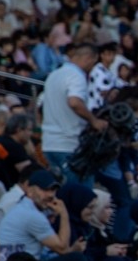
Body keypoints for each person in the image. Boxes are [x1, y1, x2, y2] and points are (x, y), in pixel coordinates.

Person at [41, 43, 107, 178]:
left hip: (49, 144)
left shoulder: (54, 74)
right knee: (81, 196)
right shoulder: (76, 75)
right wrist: (94, 121)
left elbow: (40, 107)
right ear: (88, 58)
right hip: (68, 145)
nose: (92, 69)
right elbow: (74, 102)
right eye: (93, 63)